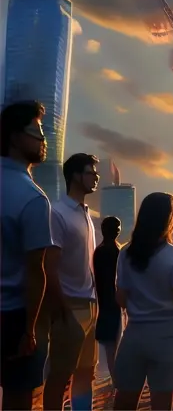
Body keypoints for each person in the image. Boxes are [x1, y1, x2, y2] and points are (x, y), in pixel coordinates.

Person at [113, 192, 173, 411]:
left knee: (125, 399)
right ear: (169, 219)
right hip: (166, 334)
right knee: (161, 402)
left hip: (134, 333)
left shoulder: (126, 253)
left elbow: (120, 299)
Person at [0, 101, 54, 411]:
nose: (43, 139)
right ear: (14, 136)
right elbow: (36, 271)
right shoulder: (33, 198)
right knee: (18, 399)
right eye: (36, 131)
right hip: (12, 316)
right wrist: (30, 330)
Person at [42, 152, 100, 411]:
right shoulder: (58, 212)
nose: (95, 176)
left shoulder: (85, 214)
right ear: (75, 176)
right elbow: (49, 265)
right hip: (70, 307)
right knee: (60, 376)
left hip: (90, 305)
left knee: (86, 373)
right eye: (90, 172)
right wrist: (62, 308)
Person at [93, 216, 123, 386]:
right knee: (114, 348)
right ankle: (117, 382)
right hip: (113, 304)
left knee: (112, 348)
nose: (118, 230)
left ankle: (116, 381)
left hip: (106, 304)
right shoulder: (115, 251)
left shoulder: (100, 250)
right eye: (116, 227)